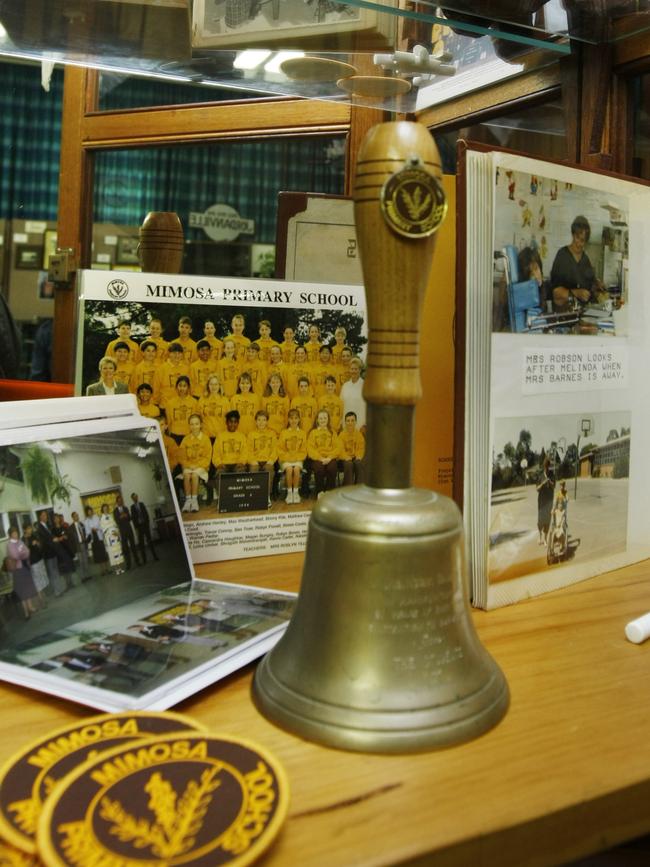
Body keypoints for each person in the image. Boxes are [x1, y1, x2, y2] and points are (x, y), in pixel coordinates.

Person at [550, 216, 605, 311]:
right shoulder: (562, 255)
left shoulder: (585, 259)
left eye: (583, 240)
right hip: (565, 313)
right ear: (573, 234)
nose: (579, 243)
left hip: (581, 312)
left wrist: (597, 284)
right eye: (577, 238)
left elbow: (590, 283)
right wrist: (576, 292)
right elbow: (555, 293)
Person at [177, 414, 212, 513]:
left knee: (195, 475)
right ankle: (188, 501)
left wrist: (197, 465)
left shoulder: (206, 439)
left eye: (196, 424)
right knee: (186, 475)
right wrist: (188, 465)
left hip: (202, 466)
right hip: (189, 465)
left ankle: (195, 500)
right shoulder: (185, 439)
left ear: (201, 425)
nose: (194, 426)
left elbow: (207, 457)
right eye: (191, 424)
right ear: (189, 426)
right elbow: (182, 456)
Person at [5, 526, 38, 619]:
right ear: (10, 535)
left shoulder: (20, 541)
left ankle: (30, 607)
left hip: (24, 567)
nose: (16, 534)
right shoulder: (9, 545)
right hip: (17, 570)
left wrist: (22, 552)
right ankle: (26, 612)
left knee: (28, 588)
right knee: (22, 591)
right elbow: (15, 556)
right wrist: (22, 552)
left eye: (16, 533)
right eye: (14, 533)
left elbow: (27, 551)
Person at [247, 409, 278, 507]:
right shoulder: (251, 434)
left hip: (267, 459)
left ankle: (266, 496)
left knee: (269, 469)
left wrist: (271, 460)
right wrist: (252, 460)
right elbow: (248, 450)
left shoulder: (272, 434)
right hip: (255, 460)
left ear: (267, 421)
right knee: (254, 469)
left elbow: (275, 449)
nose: (261, 422)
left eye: (264, 420)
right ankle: (255, 495)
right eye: (259, 420)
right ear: (255, 421)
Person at [277, 408, 307, 504]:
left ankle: (296, 493)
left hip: (298, 458)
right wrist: (288, 457)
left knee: (297, 469)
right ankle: (289, 493)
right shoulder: (284, 433)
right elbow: (280, 449)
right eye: (291, 418)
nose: (293, 420)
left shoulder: (302, 433)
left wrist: (297, 457)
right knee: (289, 469)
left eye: (296, 418)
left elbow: (304, 450)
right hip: (286, 459)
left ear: (299, 419)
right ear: (288, 420)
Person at [307, 409, 339, 496]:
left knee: (332, 467)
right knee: (319, 468)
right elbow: (310, 449)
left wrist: (329, 458)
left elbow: (337, 447)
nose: (323, 420)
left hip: (330, 457)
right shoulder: (313, 433)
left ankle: (329, 491)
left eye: (325, 418)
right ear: (317, 420)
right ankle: (320, 492)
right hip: (318, 458)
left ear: (328, 419)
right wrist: (320, 458)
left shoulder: (332, 432)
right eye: (321, 418)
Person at [35, 510, 65, 596]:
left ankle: (59, 589)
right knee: (52, 572)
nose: (46, 517)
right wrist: (53, 540)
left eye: (46, 515)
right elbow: (44, 540)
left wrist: (55, 538)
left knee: (56, 570)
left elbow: (52, 535)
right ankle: (56, 591)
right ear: (40, 517)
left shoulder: (47, 525)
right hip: (47, 553)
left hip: (53, 551)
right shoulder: (39, 527)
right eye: (44, 515)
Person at [165, 375, 197, 444]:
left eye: (184, 386)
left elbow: (195, 420)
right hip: (174, 435)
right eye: (180, 385)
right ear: (176, 387)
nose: (182, 388)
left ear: (188, 388)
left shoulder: (194, 402)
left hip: (189, 434)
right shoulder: (170, 403)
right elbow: (169, 421)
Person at [22, 523, 49, 604]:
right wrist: (30, 544)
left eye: (30, 528)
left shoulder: (33, 535)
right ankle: (41, 600)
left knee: (42, 578)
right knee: (37, 581)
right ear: (25, 530)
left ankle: (43, 596)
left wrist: (38, 544)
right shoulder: (23, 539)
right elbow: (24, 551)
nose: (30, 530)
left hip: (39, 559)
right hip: (33, 562)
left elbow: (40, 545)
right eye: (29, 528)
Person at [113, 495, 141, 569]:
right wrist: (121, 517)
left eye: (121, 501)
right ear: (117, 502)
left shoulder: (125, 508)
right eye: (119, 501)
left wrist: (127, 516)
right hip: (122, 531)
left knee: (133, 547)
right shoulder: (115, 511)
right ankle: (128, 565)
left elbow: (130, 518)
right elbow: (117, 521)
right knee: (125, 549)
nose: (120, 502)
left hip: (129, 530)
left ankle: (137, 561)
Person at [340, 357, 366, 433]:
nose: (353, 371)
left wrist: (365, 425)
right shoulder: (345, 386)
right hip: (346, 426)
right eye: (352, 369)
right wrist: (341, 423)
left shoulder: (365, 385)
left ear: (360, 370)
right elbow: (341, 405)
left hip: (361, 426)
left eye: (356, 369)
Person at [130, 492, 159, 561]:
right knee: (141, 544)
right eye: (134, 497)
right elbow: (133, 518)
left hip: (145, 525)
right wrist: (136, 528)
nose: (135, 498)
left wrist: (147, 523)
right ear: (132, 499)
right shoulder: (132, 507)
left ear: (137, 497)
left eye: (136, 496)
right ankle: (144, 559)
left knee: (150, 541)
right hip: (139, 527)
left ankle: (155, 556)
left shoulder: (141, 504)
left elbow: (146, 514)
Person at [52, 513, 76, 590]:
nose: (56, 520)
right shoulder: (53, 529)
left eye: (57, 518)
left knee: (69, 566)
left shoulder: (63, 527)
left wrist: (66, 536)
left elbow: (68, 535)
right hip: (59, 550)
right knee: (63, 568)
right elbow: (53, 540)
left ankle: (71, 582)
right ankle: (67, 584)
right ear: (53, 520)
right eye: (55, 518)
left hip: (66, 549)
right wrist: (60, 538)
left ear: (59, 519)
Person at [84, 505, 110, 576]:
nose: (90, 513)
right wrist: (91, 530)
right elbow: (87, 532)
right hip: (93, 539)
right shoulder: (86, 521)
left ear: (92, 511)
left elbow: (101, 526)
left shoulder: (97, 517)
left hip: (99, 537)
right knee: (98, 556)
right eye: (88, 512)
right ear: (87, 513)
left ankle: (107, 569)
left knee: (103, 554)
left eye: (90, 511)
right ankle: (102, 571)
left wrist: (97, 528)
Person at [67, 511, 92, 582]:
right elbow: (70, 540)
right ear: (72, 517)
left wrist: (87, 539)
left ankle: (88, 575)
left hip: (83, 544)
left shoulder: (81, 524)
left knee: (86, 560)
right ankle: (83, 577)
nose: (77, 517)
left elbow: (86, 533)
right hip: (77, 546)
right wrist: (73, 549)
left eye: (77, 515)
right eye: (75, 516)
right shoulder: (71, 527)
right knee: (81, 562)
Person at [100, 503, 125, 574]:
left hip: (115, 537)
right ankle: (116, 569)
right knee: (113, 553)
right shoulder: (102, 518)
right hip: (110, 538)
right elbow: (104, 529)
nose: (106, 509)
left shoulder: (110, 516)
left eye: (107, 508)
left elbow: (115, 525)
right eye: (104, 508)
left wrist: (117, 532)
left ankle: (120, 568)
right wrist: (111, 533)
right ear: (102, 509)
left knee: (118, 552)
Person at [536, 462, 556, 545]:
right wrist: (543, 483)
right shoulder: (540, 476)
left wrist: (550, 482)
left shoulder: (552, 475)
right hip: (541, 501)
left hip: (549, 501)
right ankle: (540, 535)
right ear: (543, 466)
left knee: (547, 519)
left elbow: (554, 486)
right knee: (540, 520)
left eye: (548, 466)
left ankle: (545, 539)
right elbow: (537, 488)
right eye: (545, 467)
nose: (547, 468)